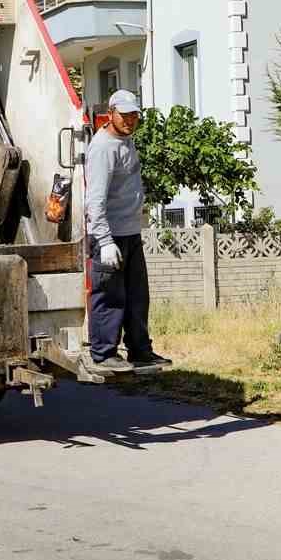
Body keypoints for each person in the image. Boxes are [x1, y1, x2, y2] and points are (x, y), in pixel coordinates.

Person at [85, 90, 169, 373]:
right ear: (110, 114)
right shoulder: (103, 148)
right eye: (124, 115)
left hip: (130, 232)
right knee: (109, 296)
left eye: (134, 115)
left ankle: (140, 351)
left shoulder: (126, 140)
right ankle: (103, 353)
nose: (130, 120)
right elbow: (95, 200)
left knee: (136, 297)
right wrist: (104, 240)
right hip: (110, 236)